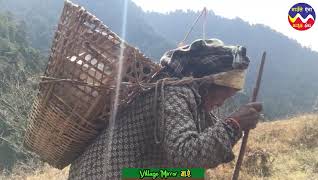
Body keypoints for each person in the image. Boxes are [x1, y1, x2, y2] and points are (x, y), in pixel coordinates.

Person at [68, 39, 263, 180]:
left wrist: (234, 126)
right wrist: (234, 123)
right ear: (206, 83)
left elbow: (204, 146)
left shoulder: (195, 102)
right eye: (222, 95)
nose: (221, 103)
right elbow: (186, 156)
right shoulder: (174, 93)